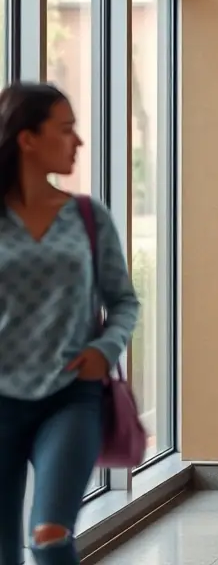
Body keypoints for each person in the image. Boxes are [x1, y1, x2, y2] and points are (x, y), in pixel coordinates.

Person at [0, 83, 140, 565]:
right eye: (65, 130)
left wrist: (105, 349)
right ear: (27, 139)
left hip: (71, 397)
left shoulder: (87, 217)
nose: (78, 141)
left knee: (50, 533)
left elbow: (123, 301)